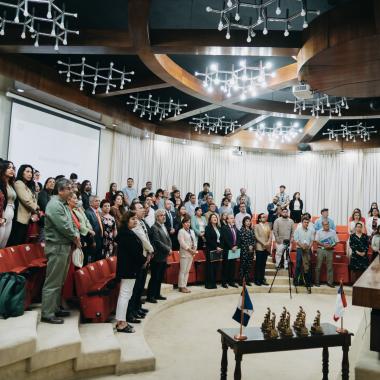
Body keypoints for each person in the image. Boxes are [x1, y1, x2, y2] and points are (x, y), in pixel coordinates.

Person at [41, 178, 81, 324]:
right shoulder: (54, 205)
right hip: (57, 246)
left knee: (60, 280)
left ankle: (55, 307)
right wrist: (76, 237)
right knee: (53, 281)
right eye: (69, 188)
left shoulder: (63, 204)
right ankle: (47, 313)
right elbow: (64, 226)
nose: (72, 190)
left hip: (63, 246)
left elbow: (70, 223)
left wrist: (75, 235)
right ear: (60, 190)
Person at [115, 211, 146, 333]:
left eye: (135, 219)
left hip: (128, 268)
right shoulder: (127, 235)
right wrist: (144, 259)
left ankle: (120, 321)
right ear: (126, 220)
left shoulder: (126, 233)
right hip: (129, 269)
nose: (135, 220)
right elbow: (135, 253)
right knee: (125, 295)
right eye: (132, 219)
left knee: (125, 294)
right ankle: (121, 323)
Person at [127, 202, 154, 321]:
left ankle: (137, 307)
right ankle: (131, 312)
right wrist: (151, 250)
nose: (143, 209)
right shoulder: (135, 223)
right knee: (136, 286)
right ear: (133, 211)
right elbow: (143, 240)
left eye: (143, 208)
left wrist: (149, 253)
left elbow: (147, 237)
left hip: (145, 255)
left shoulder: (142, 221)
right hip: (139, 257)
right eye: (140, 208)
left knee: (141, 285)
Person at [8, 164, 39, 246]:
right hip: (19, 220)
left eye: (31, 172)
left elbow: (34, 200)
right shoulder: (19, 183)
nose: (30, 174)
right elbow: (27, 201)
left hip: (26, 220)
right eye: (27, 171)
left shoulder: (28, 186)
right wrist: (37, 209)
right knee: (15, 244)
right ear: (22, 172)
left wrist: (35, 191)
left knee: (21, 245)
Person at [148, 209, 172, 302]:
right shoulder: (154, 227)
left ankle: (157, 294)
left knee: (160, 277)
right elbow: (157, 242)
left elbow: (168, 239)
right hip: (158, 256)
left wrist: (169, 248)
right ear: (157, 217)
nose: (164, 217)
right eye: (162, 215)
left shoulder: (163, 226)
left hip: (164, 256)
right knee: (155, 277)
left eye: (164, 215)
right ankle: (150, 296)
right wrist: (167, 249)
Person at [68, 192, 95, 263]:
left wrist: (90, 228)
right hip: (79, 235)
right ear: (68, 200)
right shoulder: (70, 211)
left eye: (77, 198)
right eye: (75, 198)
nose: (77, 201)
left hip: (86, 234)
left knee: (86, 257)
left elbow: (86, 220)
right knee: (79, 260)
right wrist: (88, 230)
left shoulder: (80, 209)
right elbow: (78, 224)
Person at [315, 221, 339, 287]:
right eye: (325, 225)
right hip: (321, 250)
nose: (327, 226)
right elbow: (316, 241)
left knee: (330, 267)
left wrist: (331, 246)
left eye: (328, 224)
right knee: (318, 266)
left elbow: (336, 242)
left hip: (330, 250)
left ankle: (330, 282)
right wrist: (324, 245)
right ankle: (317, 282)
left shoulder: (333, 232)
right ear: (322, 225)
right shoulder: (319, 231)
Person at [293, 217, 314, 292]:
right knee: (298, 265)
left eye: (307, 222)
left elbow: (312, 240)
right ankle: (295, 281)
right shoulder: (298, 230)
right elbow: (296, 239)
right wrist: (302, 245)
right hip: (300, 249)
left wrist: (309, 246)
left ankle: (307, 282)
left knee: (307, 266)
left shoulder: (310, 231)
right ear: (302, 222)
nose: (306, 223)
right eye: (305, 222)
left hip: (307, 250)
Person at [177, 217, 197, 293]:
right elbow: (182, 243)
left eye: (189, 222)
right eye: (186, 222)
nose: (188, 224)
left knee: (187, 271)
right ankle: (181, 286)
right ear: (183, 224)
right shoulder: (181, 231)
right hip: (185, 253)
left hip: (191, 253)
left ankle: (185, 285)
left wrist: (194, 249)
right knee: (183, 270)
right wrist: (190, 250)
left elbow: (195, 241)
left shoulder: (191, 231)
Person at [220, 214, 240, 288]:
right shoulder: (224, 228)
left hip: (234, 250)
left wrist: (236, 246)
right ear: (227, 220)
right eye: (231, 218)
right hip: (227, 250)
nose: (233, 219)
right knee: (226, 267)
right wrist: (231, 246)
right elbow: (225, 239)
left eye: (233, 218)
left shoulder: (235, 228)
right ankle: (224, 282)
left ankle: (231, 281)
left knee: (233, 267)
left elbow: (239, 238)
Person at [0, 160, 16, 248]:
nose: (12, 170)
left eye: (13, 168)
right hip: (3, 214)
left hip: (10, 215)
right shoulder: (0, 184)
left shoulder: (11, 184)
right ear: (3, 169)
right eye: (9, 167)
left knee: (3, 244)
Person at [204, 213, 222, 289]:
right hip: (210, 249)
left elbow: (221, 239)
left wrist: (220, 247)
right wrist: (216, 247)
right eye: (213, 217)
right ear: (210, 220)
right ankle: (209, 284)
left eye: (216, 217)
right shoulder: (208, 227)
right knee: (210, 267)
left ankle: (214, 282)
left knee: (215, 266)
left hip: (218, 249)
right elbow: (208, 239)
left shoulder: (219, 228)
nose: (215, 218)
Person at [254, 213, 271, 286]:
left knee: (263, 264)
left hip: (266, 247)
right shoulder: (256, 226)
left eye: (265, 217)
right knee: (258, 264)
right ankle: (257, 280)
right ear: (259, 219)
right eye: (262, 217)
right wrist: (263, 243)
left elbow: (270, 235)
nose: (264, 218)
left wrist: (268, 242)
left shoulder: (268, 225)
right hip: (259, 247)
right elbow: (256, 236)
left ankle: (262, 279)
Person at [85, 195, 103, 262]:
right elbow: (89, 228)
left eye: (99, 201)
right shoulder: (88, 212)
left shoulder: (98, 212)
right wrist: (93, 241)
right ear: (90, 203)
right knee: (92, 261)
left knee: (97, 260)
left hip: (99, 239)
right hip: (92, 241)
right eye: (96, 201)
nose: (98, 202)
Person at [239, 216, 255, 286]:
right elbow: (242, 240)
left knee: (249, 266)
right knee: (243, 266)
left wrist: (252, 246)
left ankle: (247, 280)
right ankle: (241, 281)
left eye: (249, 221)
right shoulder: (242, 230)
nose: (248, 223)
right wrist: (249, 246)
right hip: (244, 250)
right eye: (247, 221)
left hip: (251, 251)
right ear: (244, 222)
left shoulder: (251, 230)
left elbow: (254, 239)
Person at [37, 177, 55, 241]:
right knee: (42, 244)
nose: (52, 183)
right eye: (50, 182)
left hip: (49, 222)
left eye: (53, 182)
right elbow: (46, 207)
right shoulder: (43, 193)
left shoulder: (50, 195)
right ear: (46, 184)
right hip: (44, 223)